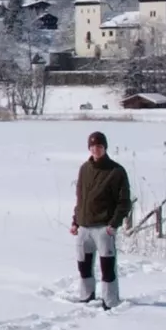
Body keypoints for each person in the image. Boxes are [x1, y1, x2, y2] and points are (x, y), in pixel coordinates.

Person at [69, 130, 132, 309]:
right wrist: (75, 221)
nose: (96, 150)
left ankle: (110, 301)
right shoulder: (84, 169)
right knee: (83, 266)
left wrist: (114, 224)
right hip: (84, 227)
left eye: (99, 146)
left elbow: (124, 202)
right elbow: (80, 199)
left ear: (105, 148)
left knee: (107, 267)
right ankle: (86, 296)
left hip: (104, 228)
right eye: (93, 146)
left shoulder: (116, 171)